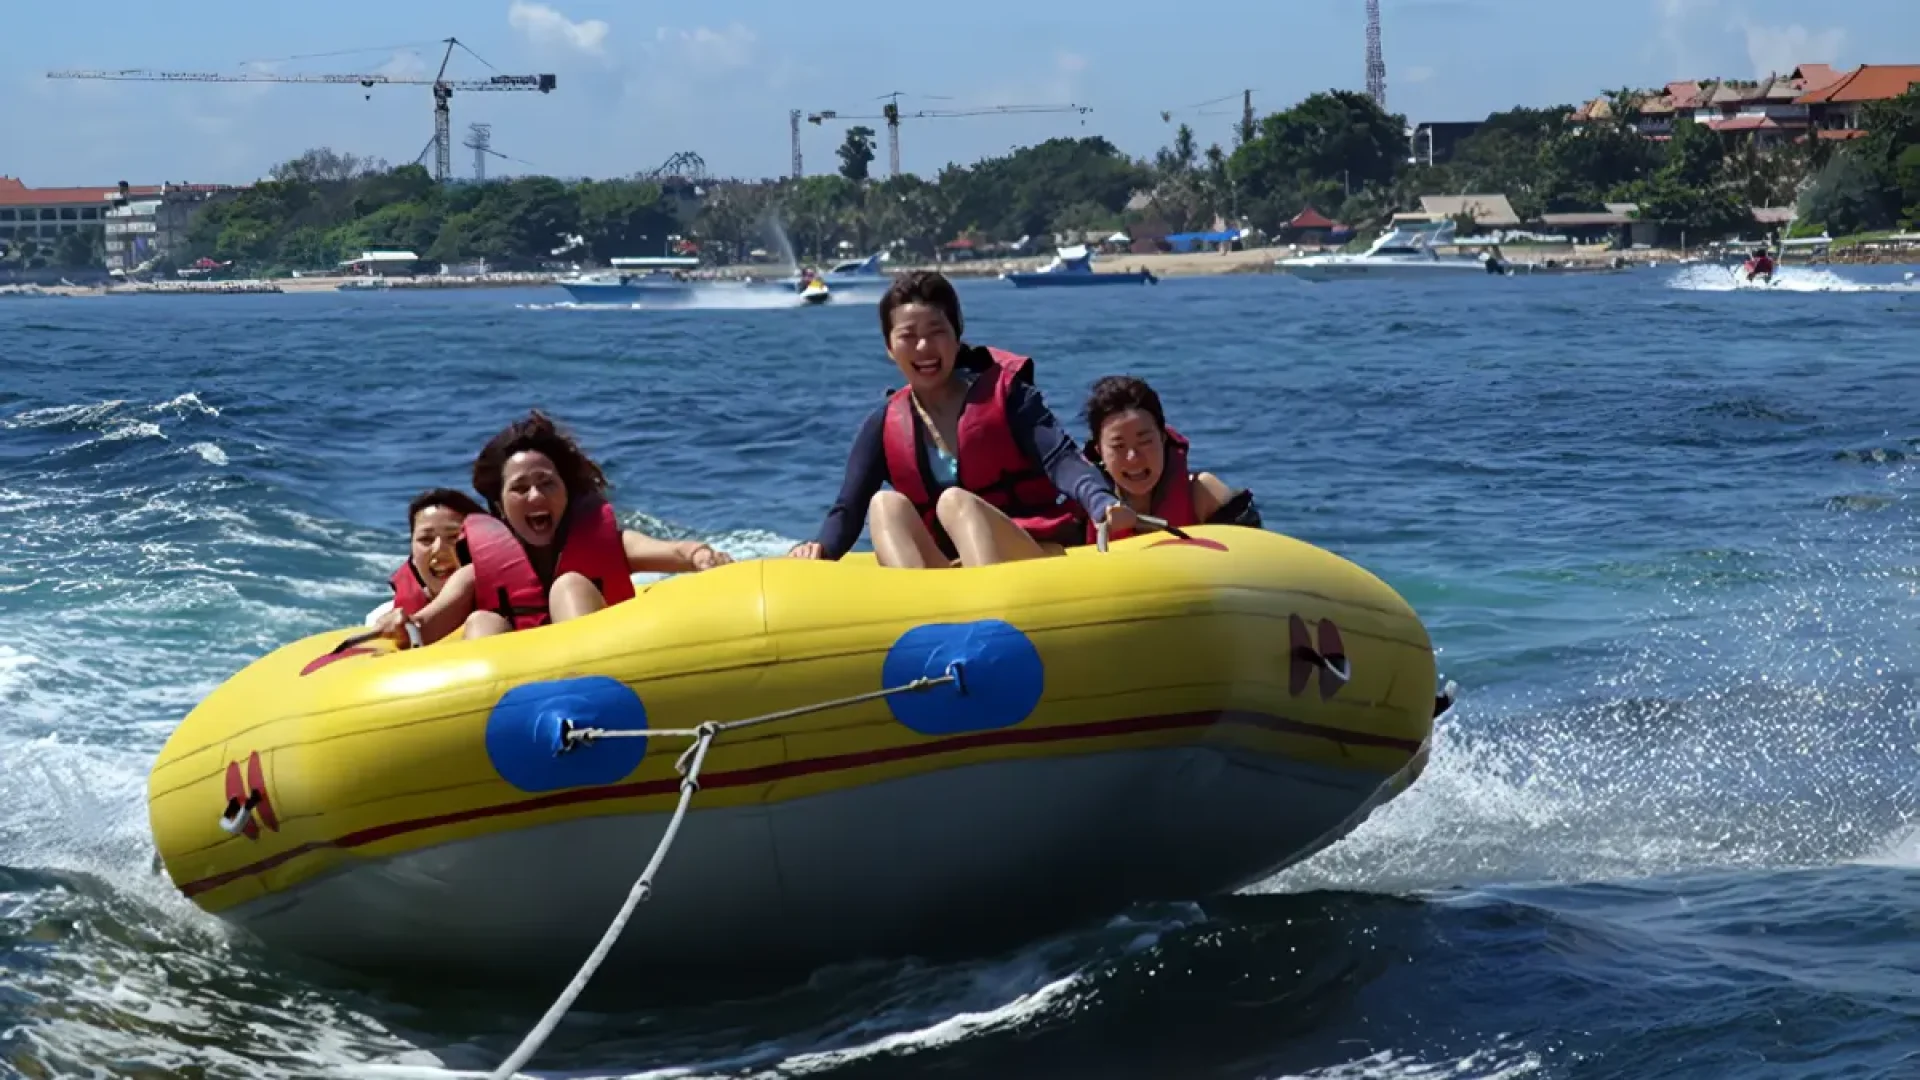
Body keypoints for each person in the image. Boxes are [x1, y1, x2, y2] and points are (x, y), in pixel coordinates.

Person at [789, 271, 1133, 569]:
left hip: (1033, 554)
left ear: (957, 336)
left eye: (936, 331)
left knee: (955, 503)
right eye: (908, 336)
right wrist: (819, 550)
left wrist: (1100, 501)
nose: (923, 347)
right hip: (951, 570)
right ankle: (926, 620)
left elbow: (1062, 460)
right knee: (884, 505)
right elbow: (848, 509)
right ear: (890, 348)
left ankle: (993, 621)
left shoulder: (1009, 397)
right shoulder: (884, 423)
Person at [374, 410, 734, 646]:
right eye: (519, 488)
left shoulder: (609, 544)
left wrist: (702, 556)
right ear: (499, 505)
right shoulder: (473, 576)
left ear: (566, 491)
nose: (535, 495)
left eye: (547, 483)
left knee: (570, 586)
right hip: (519, 707)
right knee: (484, 621)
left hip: (614, 687)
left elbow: (679, 552)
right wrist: (401, 625)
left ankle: (591, 695)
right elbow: (424, 624)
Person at [1081, 375, 1261, 543]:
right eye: (1118, 446)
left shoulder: (1204, 495)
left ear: (1163, 437)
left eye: (1144, 442)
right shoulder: (1079, 510)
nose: (1133, 458)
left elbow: (1256, 556)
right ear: (1099, 451)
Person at [363, 488, 486, 628]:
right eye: (426, 539)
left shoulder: (505, 612)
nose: (439, 549)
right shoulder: (379, 619)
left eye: (454, 536)